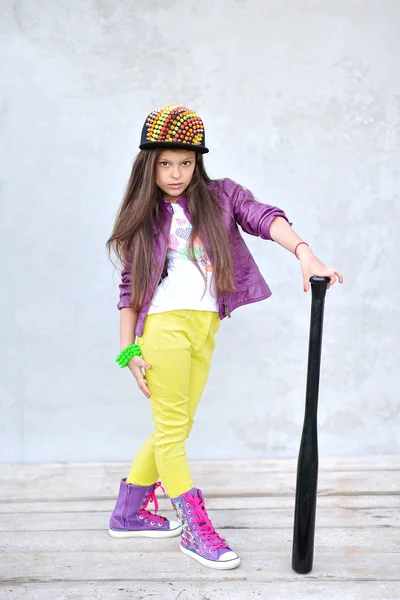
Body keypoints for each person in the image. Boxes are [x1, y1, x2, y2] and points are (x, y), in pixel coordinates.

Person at [106, 104, 343, 570]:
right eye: (165, 163)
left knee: (178, 426)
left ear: (199, 161)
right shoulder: (145, 215)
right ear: (148, 164)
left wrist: (304, 253)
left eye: (186, 162)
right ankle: (195, 531)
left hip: (204, 330)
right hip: (164, 331)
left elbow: (262, 216)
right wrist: (128, 349)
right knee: (174, 434)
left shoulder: (220, 197)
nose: (176, 173)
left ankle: (129, 511)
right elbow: (130, 289)